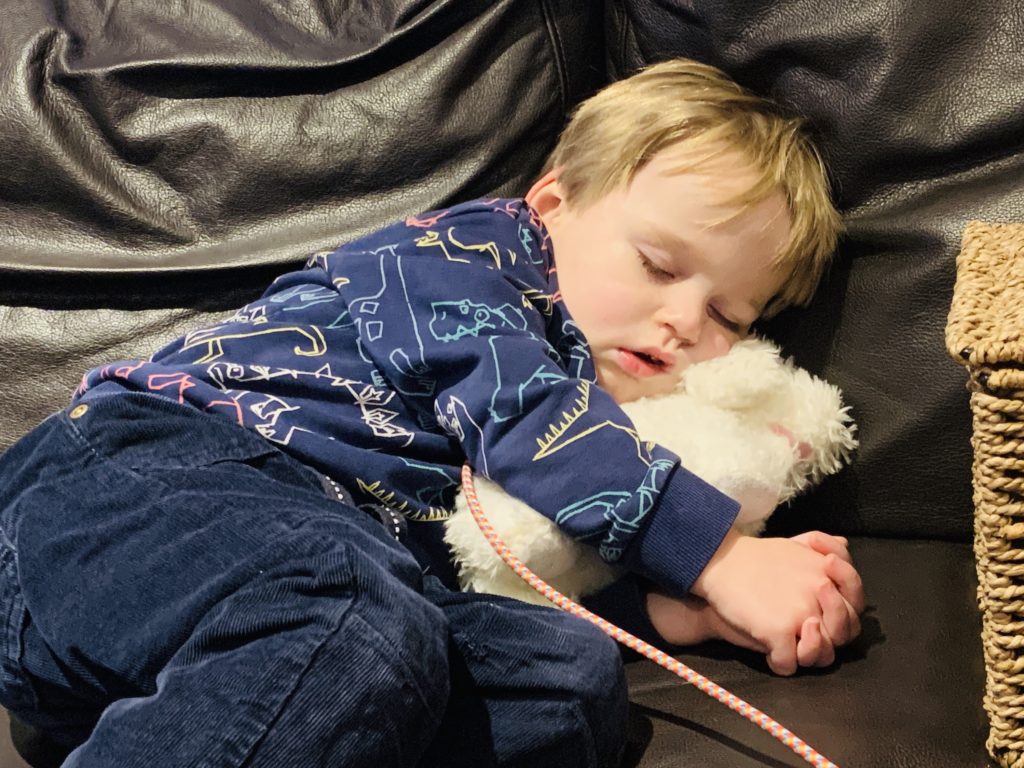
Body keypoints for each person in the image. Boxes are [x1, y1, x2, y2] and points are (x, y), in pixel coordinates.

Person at [0, 58, 861, 767]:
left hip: (280, 607)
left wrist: (672, 613)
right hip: (126, 486)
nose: (682, 322)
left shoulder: (604, 402)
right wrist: (714, 556)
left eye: (727, 319)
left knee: (566, 682)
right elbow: (530, 420)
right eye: (659, 265)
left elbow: (491, 568)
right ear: (554, 207)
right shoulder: (465, 260)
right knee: (347, 616)